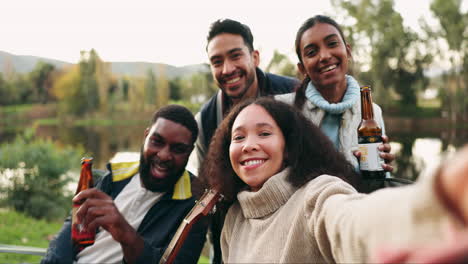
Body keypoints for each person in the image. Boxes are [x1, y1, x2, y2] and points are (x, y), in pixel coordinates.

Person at [201, 97, 467, 263]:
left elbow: (356, 224)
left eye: (264, 133)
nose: (248, 145)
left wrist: (438, 201)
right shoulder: (234, 218)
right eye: (238, 137)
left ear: (289, 146)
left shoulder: (317, 195)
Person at [186, 18, 299, 263]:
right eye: (217, 62)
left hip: (294, 222)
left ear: (255, 57)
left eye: (235, 56)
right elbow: (210, 191)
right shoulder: (207, 119)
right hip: (237, 226)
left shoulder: (292, 94)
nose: (227, 69)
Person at [41, 105, 208, 264]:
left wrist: (126, 234)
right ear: (146, 136)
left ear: (190, 152)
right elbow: (71, 229)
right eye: (157, 142)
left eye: (178, 149)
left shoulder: (196, 206)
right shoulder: (114, 177)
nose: (164, 155)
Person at [275, 15, 394, 178]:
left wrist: (381, 169)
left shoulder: (372, 112)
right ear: (302, 68)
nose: (324, 56)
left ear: (348, 51)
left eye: (332, 44)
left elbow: (380, 182)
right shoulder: (282, 111)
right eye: (312, 52)